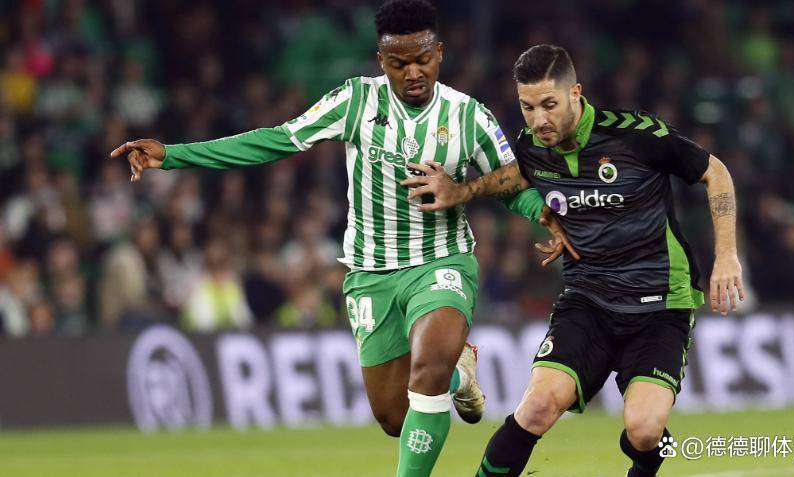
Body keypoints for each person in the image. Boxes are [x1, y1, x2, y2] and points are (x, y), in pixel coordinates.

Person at [109, 2, 568, 476]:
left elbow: (511, 183)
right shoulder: (355, 101)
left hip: (441, 262)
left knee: (427, 369)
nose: (413, 72)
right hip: (371, 274)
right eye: (399, 63)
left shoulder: (468, 115)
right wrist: (173, 155)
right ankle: (457, 371)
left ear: (440, 54)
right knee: (394, 417)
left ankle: (441, 370)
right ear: (381, 61)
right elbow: (275, 140)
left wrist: (544, 216)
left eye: (422, 59)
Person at [403, 44, 744, 477]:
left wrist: (726, 256)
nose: (539, 120)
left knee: (644, 432)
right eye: (527, 107)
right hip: (589, 299)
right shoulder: (531, 147)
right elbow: (511, 179)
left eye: (549, 104)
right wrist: (461, 191)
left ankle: (651, 448)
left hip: (660, 305)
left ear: (575, 93)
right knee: (537, 407)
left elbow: (716, 172)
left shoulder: (635, 136)